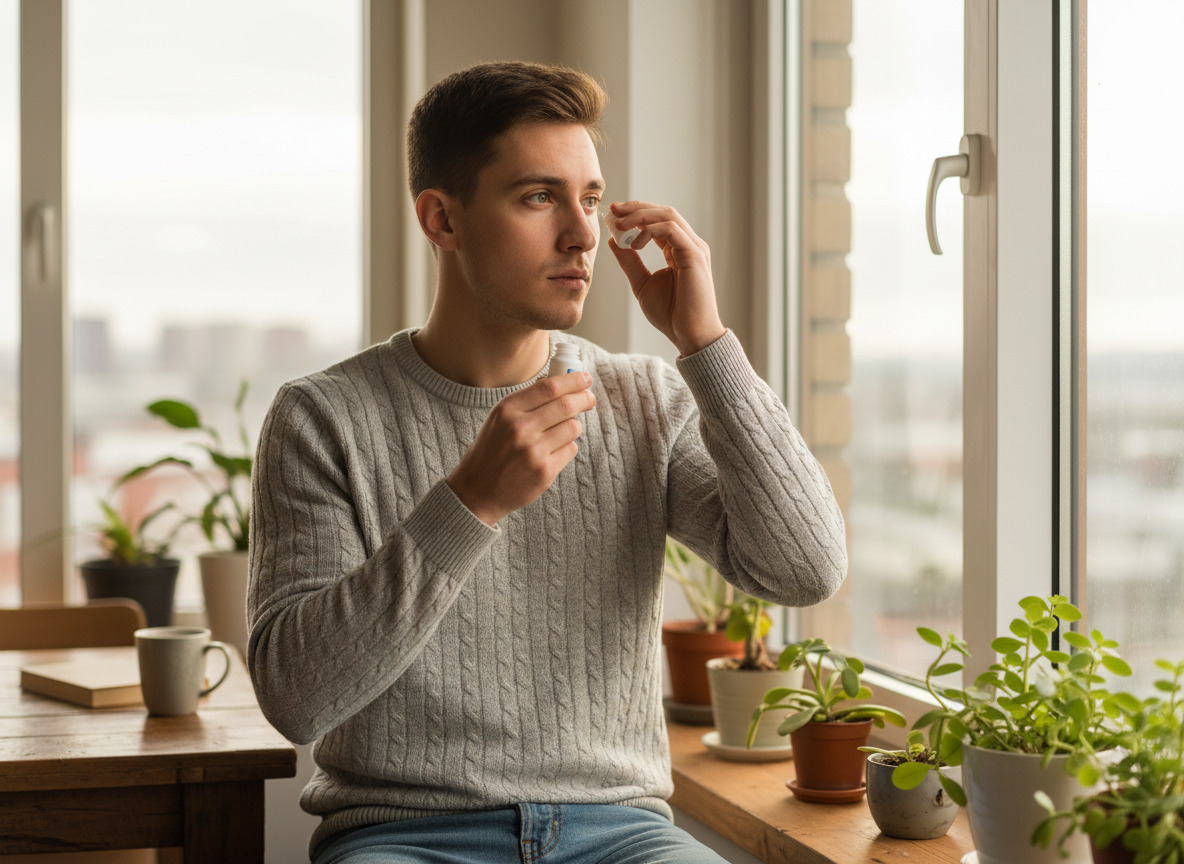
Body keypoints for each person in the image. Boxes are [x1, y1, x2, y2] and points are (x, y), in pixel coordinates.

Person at [248, 60, 847, 864]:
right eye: (540, 197)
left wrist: (707, 349)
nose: (583, 234)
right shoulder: (322, 418)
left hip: (621, 835)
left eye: (592, 199)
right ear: (441, 220)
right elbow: (295, 698)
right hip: (404, 838)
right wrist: (469, 503)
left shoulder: (641, 397)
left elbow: (805, 569)